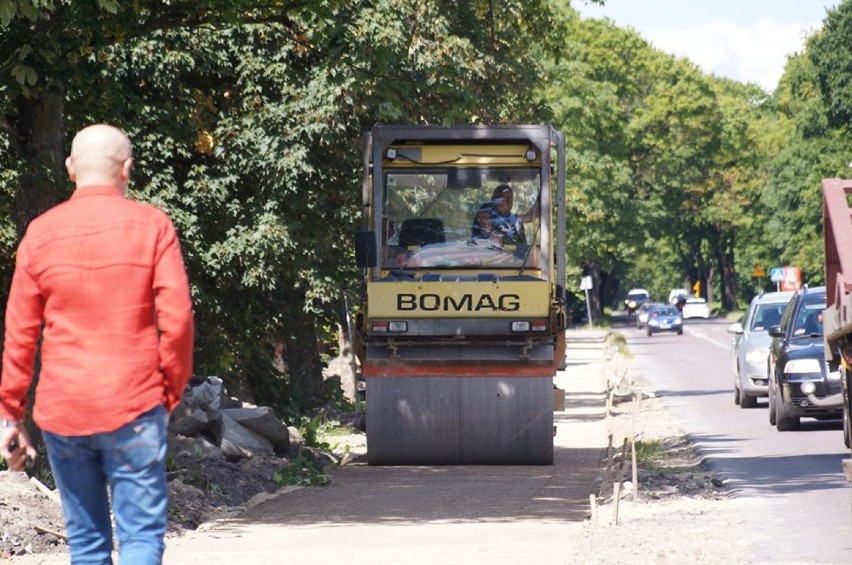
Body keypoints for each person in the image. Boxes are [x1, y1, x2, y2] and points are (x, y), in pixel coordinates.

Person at [0, 124, 194, 564]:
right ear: (128, 170)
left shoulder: (40, 234)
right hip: (137, 402)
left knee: (87, 544)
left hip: (64, 411)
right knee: (141, 537)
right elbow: (178, 320)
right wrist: (170, 391)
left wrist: (9, 413)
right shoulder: (153, 226)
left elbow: (20, 333)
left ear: (70, 169)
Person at [471, 184, 539, 245]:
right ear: (509, 200)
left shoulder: (509, 216)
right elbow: (490, 233)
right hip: (489, 255)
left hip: (513, 255)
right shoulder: (487, 210)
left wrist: (540, 199)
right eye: (512, 199)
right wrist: (493, 233)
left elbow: (530, 217)